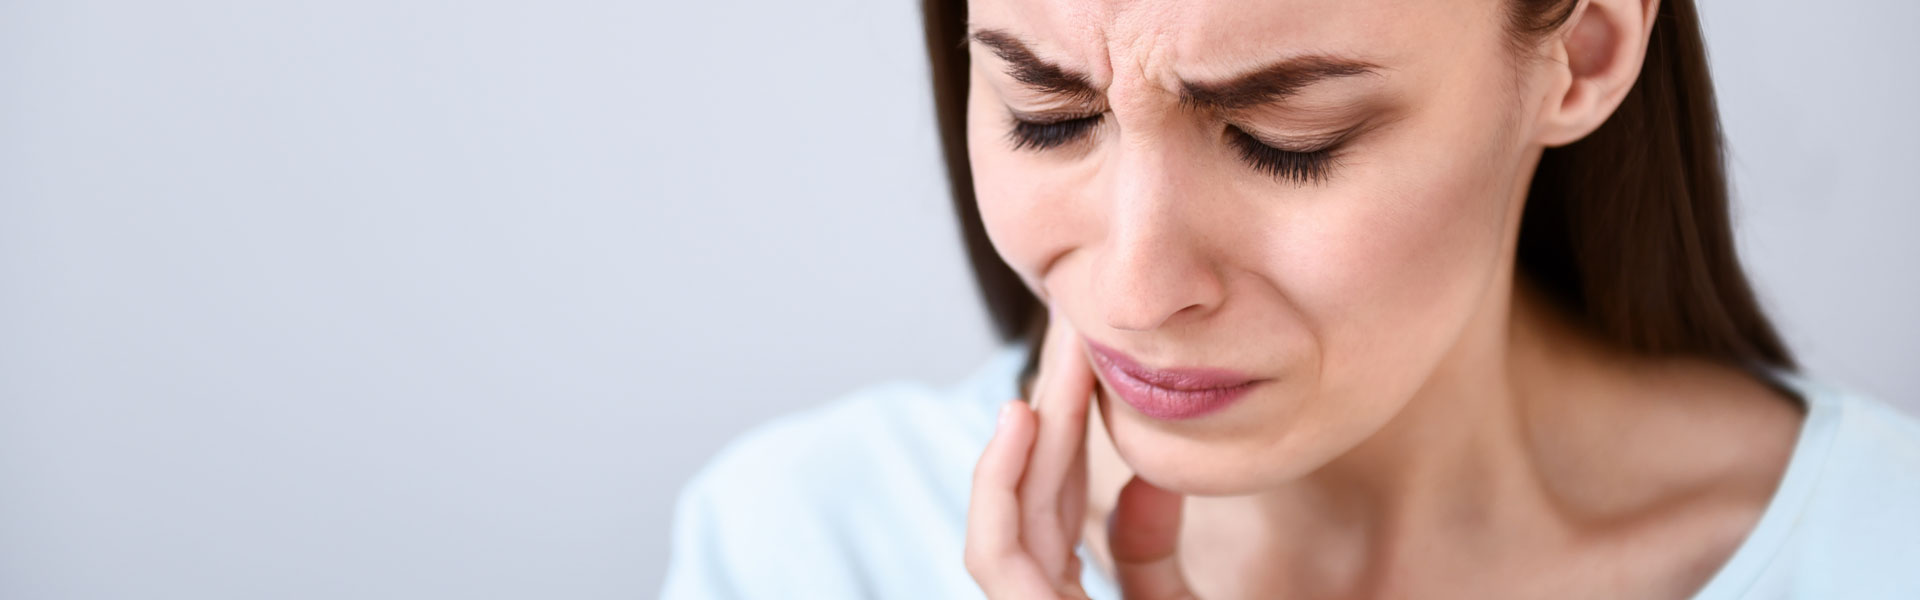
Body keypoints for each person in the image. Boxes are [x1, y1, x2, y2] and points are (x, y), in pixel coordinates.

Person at [661, 0, 1920, 597]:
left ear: (1582, 52)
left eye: (1285, 138)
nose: (1138, 288)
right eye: (1048, 117)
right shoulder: (802, 548)